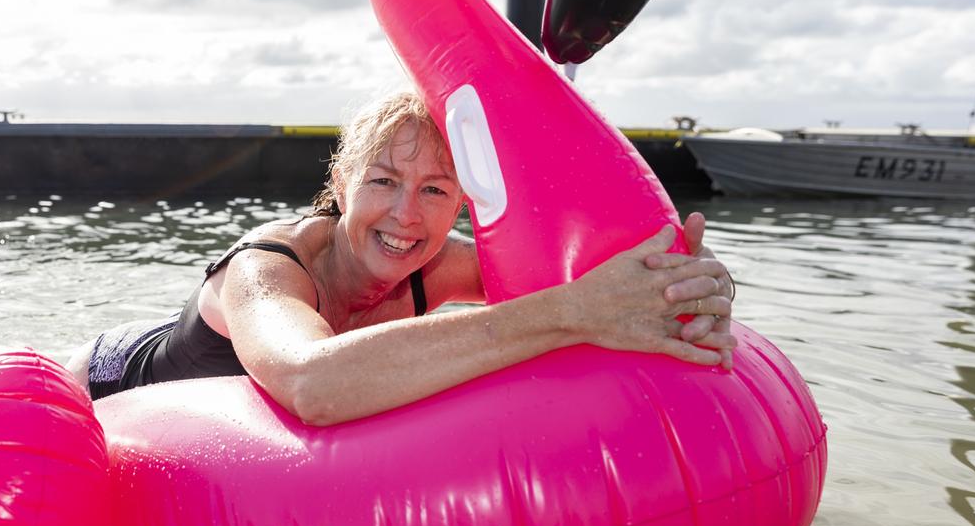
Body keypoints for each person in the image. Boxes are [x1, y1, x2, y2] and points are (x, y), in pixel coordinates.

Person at [65, 90, 736, 426]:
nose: (406, 216)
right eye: (383, 182)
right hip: (108, 383)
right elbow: (310, 383)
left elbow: (602, 279)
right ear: (341, 187)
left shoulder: (443, 266)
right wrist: (570, 313)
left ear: (461, 207)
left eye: (435, 190)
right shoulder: (266, 267)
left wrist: (698, 286)